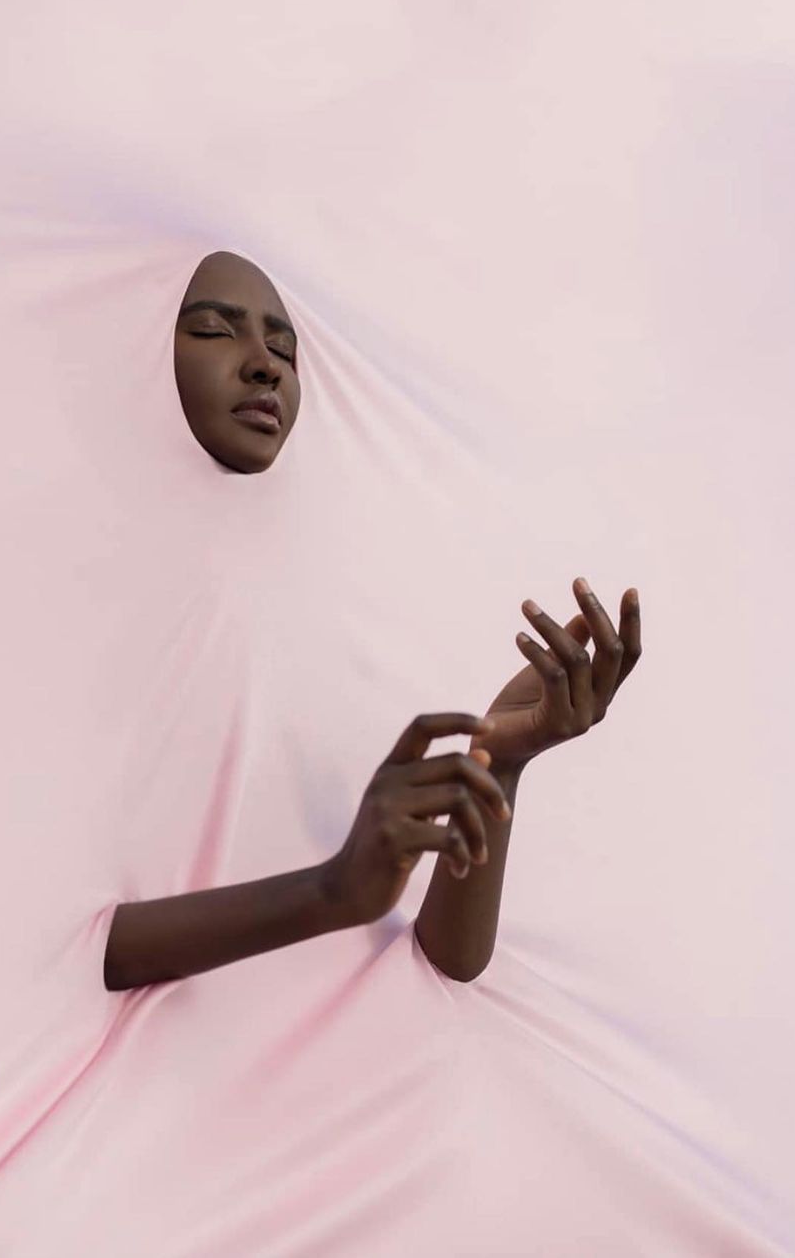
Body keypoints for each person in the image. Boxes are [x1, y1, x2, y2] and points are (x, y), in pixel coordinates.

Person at [104, 250, 643, 992]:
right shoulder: (103, 589)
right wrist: (331, 892)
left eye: (284, 349)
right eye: (213, 331)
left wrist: (501, 760)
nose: (264, 365)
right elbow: (53, 953)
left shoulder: (339, 608)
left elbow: (448, 960)